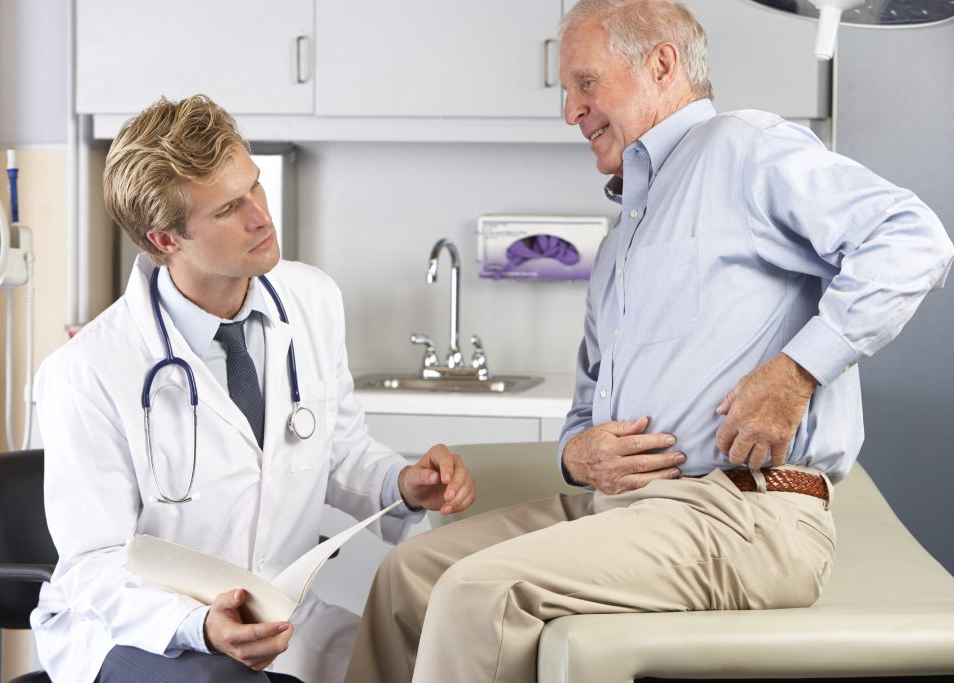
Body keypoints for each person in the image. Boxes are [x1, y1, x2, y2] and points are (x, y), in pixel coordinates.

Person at [343, 1, 954, 682]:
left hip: (742, 514)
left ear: (661, 64)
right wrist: (578, 452)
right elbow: (582, 413)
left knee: (478, 589)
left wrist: (795, 372)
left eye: (585, 83)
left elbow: (913, 238)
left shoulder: (744, 149)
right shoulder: (622, 238)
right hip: (621, 511)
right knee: (408, 574)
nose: (569, 111)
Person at [30, 94, 476, 683]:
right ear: (166, 240)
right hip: (140, 631)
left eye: (256, 187)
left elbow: (336, 450)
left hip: (279, 621)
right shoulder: (85, 372)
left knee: (426, 666)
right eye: (228, 209)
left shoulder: (312, 300)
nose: (261, 216)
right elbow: (94, 566)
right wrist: (202, 627)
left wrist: (402, 483)